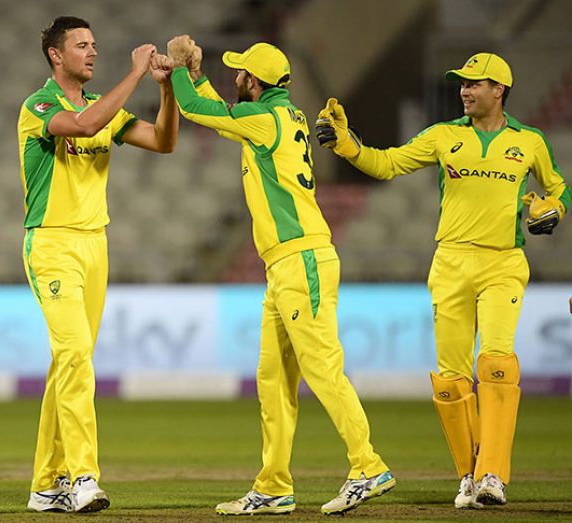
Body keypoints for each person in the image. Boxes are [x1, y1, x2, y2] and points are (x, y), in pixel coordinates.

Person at [315, 52, 571, 509]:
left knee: (496, 364)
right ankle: (469, 477)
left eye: (475, 83)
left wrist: (554, 207)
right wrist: (345, 144)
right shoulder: (443, 136)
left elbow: (558, 188)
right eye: (462, 83)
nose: (465, 90)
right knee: (451, 381)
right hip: (450, 264)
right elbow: (388, 163)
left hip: (503, 264)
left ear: (500, 90)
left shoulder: (529, 142)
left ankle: (494, 474)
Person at [164, 36, 395, 516]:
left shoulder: (265, 118)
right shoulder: (280, 115)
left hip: (301, 258)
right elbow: (221, 114)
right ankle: (273, 484)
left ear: (256, 80)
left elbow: (193, 110)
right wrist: (201, 76)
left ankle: (368, 466)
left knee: (322, 368)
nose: (237, 77)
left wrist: (184, 68)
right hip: (286, 262)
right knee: (273, 378)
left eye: (241, 72)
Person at [18, 16, 178, 514]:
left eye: (94, 45)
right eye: (81, 46)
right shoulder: (39, 105)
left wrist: (167, 90)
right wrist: (133, 75)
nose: (92, 52)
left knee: (69, 361)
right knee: (74, 358)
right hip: (51, 244)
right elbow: (84, 126)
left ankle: (45, 486)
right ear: (55, 55)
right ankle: (83, 477)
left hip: (95, 245)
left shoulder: (102, 107)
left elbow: (164, 142)